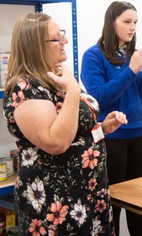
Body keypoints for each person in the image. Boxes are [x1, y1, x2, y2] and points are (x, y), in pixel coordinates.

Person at [3, 13, 128, 235]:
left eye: (63, 35)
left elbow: (72, 127)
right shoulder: (25, 88)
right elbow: (56, 142)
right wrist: (72, 90)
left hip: (88, 194)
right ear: (35, 46)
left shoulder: (57, 75)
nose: (65, 41)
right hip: (57, 203)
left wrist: (101, 128)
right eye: (56, 38)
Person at [80, 1, 142, 235]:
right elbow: (100, 97)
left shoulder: (137, 56)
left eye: (135, 23)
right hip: (112, 138)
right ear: (112, 23)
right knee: (113, 205)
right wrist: (131, 70)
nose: (133, 28)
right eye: (127, 22)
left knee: (139, 205)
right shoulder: (93, 57)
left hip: (141, 135)